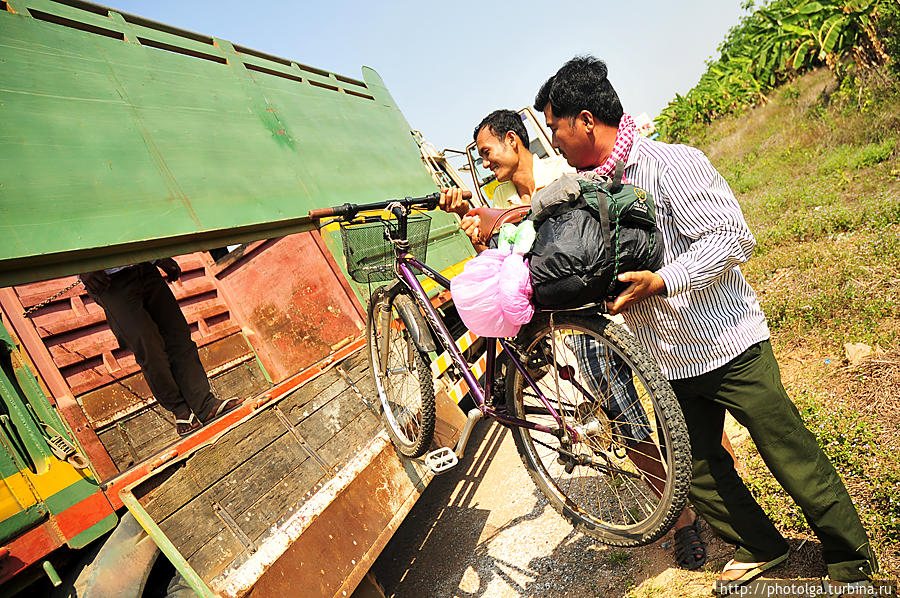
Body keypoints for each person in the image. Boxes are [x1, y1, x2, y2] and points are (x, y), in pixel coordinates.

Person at [533, 56, 876, 590]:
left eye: (554, 124)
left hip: (727, 341)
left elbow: (733, 235)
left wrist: (662, 281)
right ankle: (761, 545)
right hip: (670, 359)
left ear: (584, 120)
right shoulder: (590, 190)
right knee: (696, 470)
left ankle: (852, 562)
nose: (552, 138)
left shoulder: (668, 164)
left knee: (788, 452)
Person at [440, 109, 713, 570]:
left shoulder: (563, 169)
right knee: (626, 422)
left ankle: (728, 503)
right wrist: (475, 221)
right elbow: (511, 269)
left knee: (687, 404)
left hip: (625, 309)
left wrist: (501, 215)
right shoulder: (501, 196)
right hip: (576, 330)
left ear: (512, 140)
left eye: (487, 153)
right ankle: (683, 518)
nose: (485, 164)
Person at [80, 260, 240, 437]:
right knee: (148, 346)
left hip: (145, 265)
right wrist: (80, 268)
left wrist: (157, 257)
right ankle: (180, 411)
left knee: (178, 336)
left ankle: (205, 404)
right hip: (108, 280)